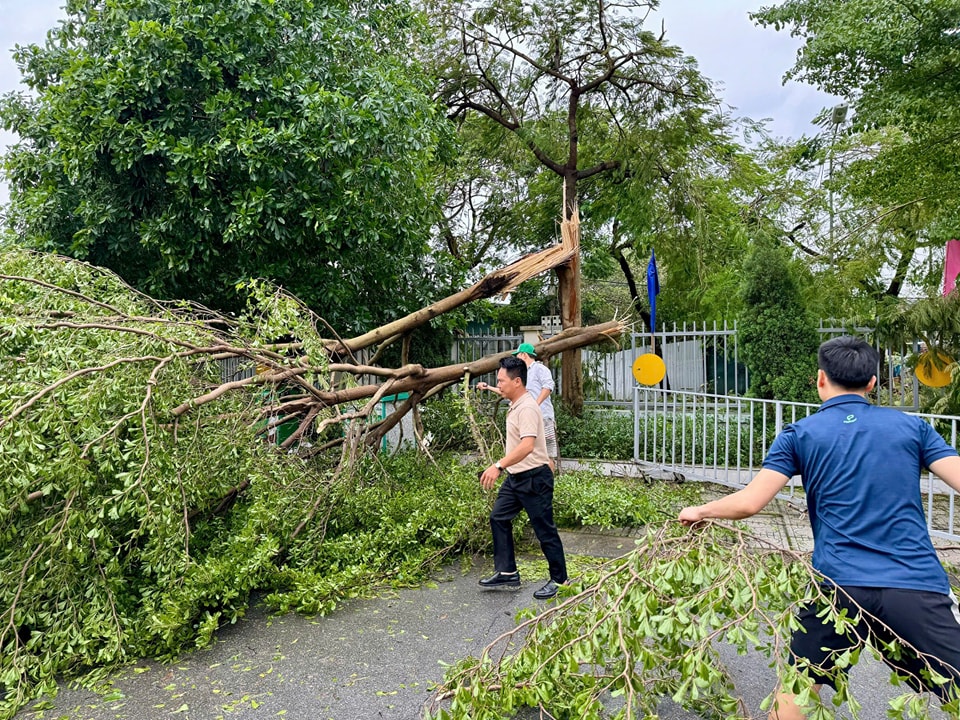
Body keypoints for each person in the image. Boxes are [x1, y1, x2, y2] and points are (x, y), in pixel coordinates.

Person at [678, 336, 960, 719]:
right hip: (914, 584)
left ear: (820, 379)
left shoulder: (800, 434)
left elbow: (749, 503)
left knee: (795, 692)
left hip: (838, 588)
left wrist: (700, 510)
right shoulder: (912, 428)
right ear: (873, 382)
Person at [478, 356, 568, 600]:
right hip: (516, 477)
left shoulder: (527, 408)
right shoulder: (516, 402)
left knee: (544, 530)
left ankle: (560, 580)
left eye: (501, 381)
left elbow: (527, 446)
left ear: (517, 382)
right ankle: (507, 572)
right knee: (498, 517)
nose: (499, 384)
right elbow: (501, 391)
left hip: (534, 478)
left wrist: (498, 465)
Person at [477, 342, 558, 471]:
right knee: (526, 452)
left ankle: (549, 480)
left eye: (518, 355)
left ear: (524, 355)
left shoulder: (539, 369)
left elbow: (548, 386)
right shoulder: (520, 375)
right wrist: (488, 387)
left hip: (543, 417)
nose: (516, 358)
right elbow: (506, 390)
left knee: (547, 455)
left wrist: (535, 405)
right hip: (523, 417)